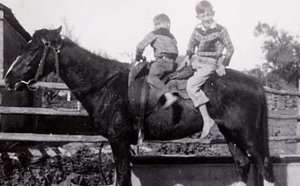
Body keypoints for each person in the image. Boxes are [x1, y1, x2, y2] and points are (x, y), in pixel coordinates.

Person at [178, 0, 234, 139]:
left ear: (213, 14)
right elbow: (191, 45)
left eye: (208, 15)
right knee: (176, 78)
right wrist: (187, 57)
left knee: (191, 86)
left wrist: (223, 64)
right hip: (197, 62)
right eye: (203, 16)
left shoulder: (221, 29)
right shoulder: (197, 29)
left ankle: (207, 119)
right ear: (198, 17)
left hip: (210, 63)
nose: (206, 19)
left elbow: (230, 48)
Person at [135, 13, 179, 109]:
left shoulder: (154, 33)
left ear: (156, 25)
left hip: (161, 62)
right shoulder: (172, 37)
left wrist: (138, 57)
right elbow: (176, 52)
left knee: (151, 77)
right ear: (168, 25)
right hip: (173, 64)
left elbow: (140, 46)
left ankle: (168, 96)